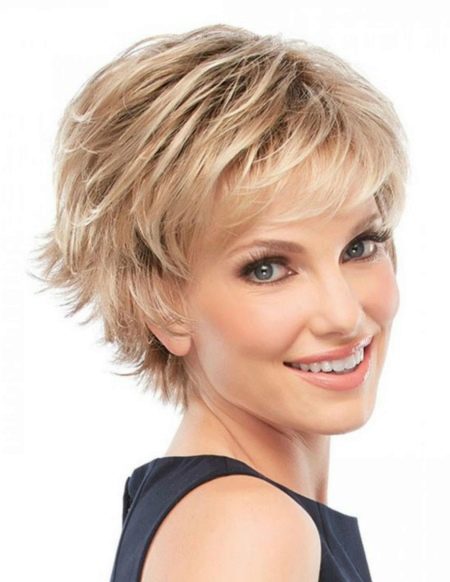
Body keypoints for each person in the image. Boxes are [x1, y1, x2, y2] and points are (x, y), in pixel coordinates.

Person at [31, 23, 409, 582]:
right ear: (161, 303)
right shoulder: (248, 527)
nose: (344, 315)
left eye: (360, 246)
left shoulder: (221, 514)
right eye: (267, 268)